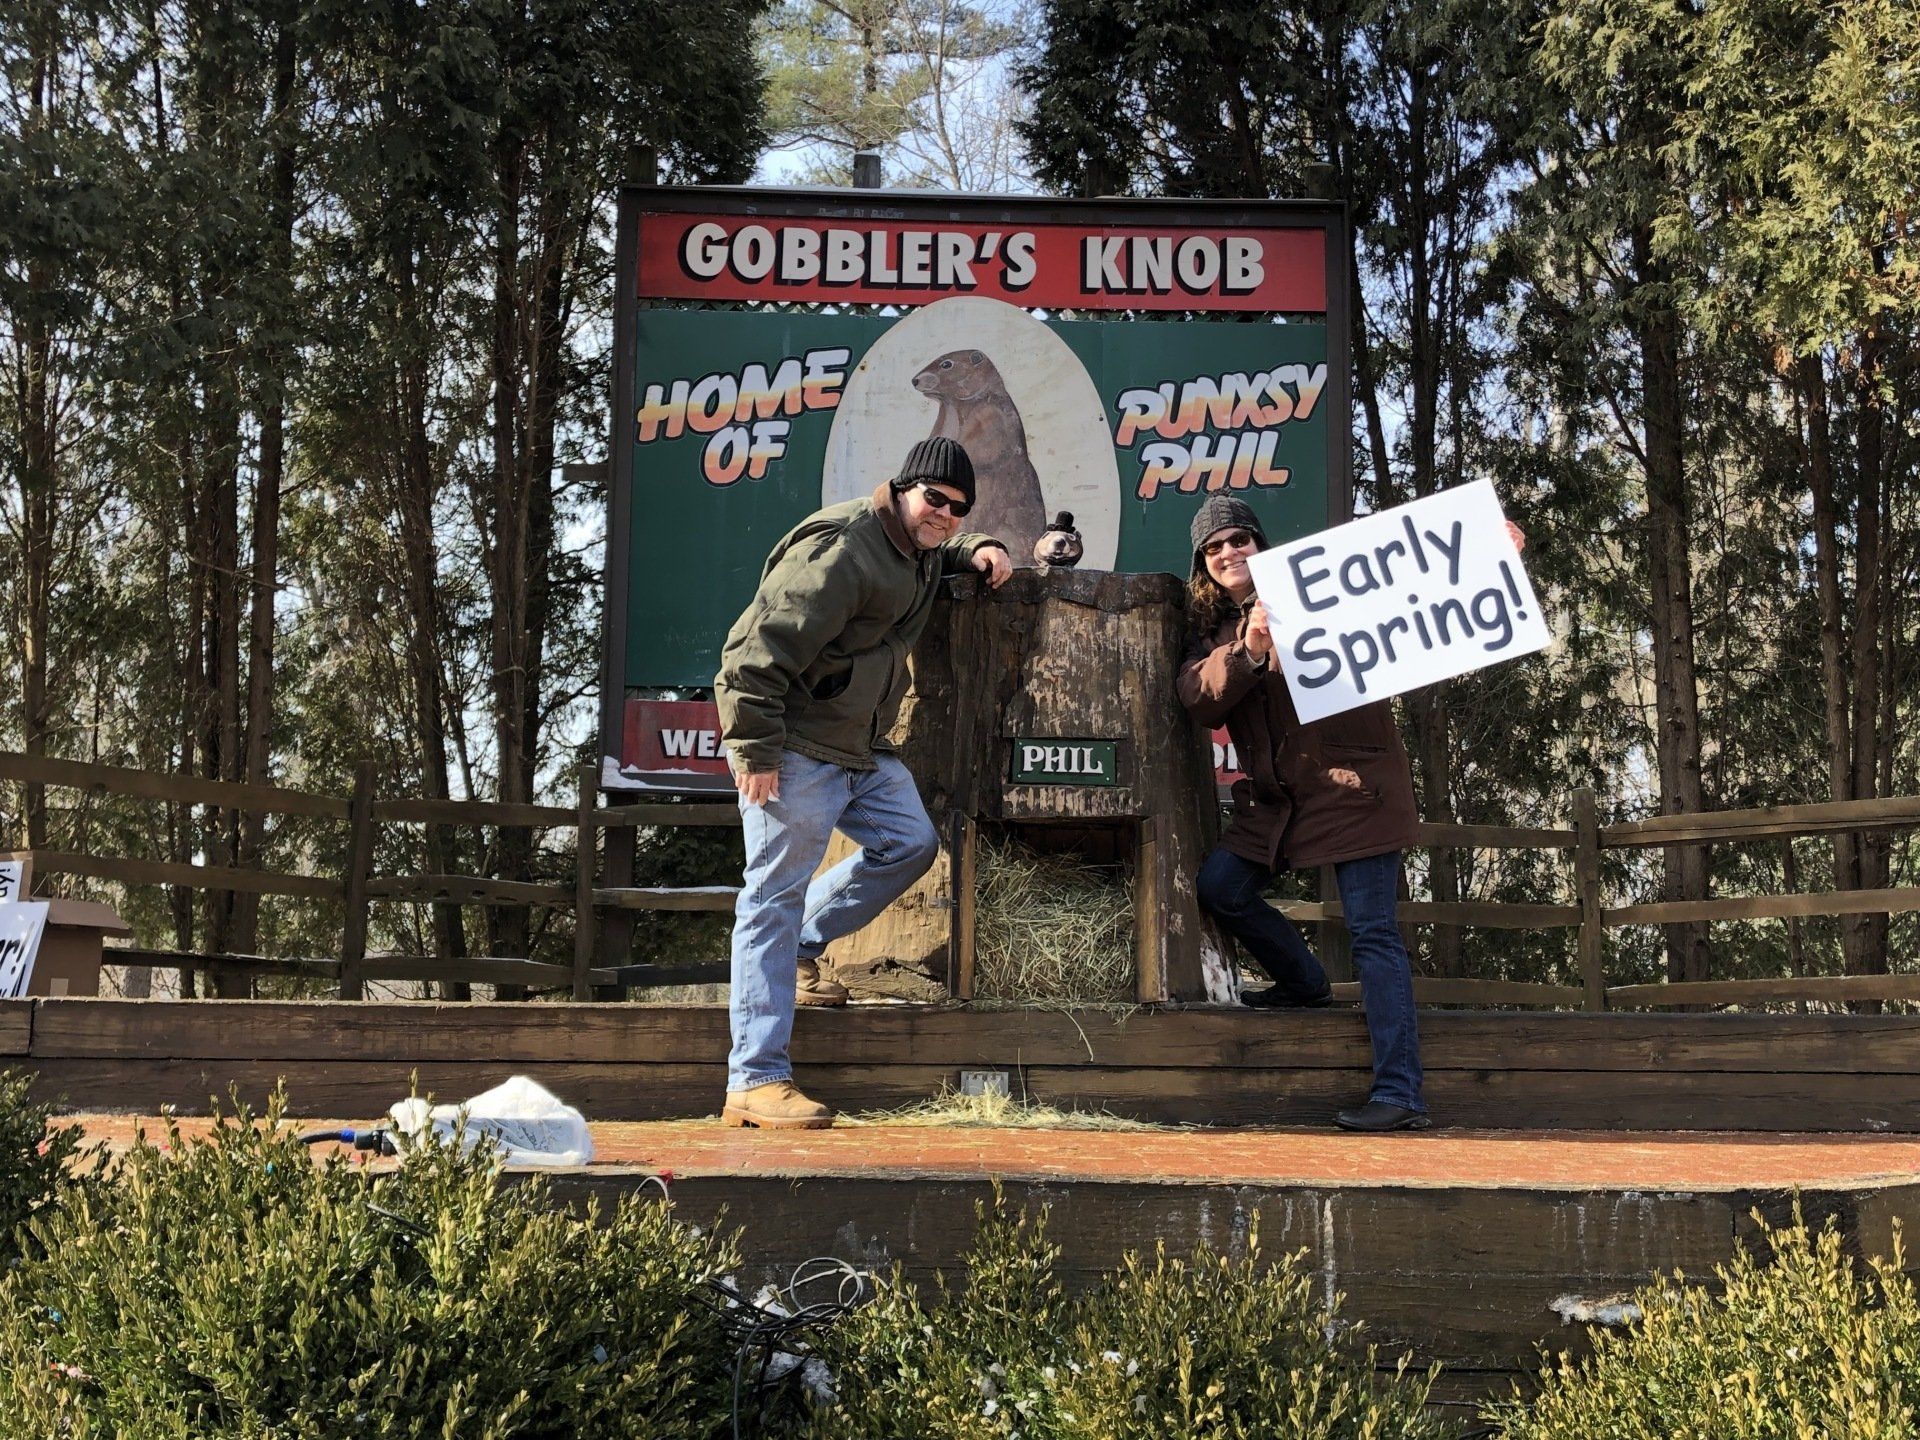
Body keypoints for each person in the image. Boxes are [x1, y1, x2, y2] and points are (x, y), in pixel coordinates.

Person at [714, 437, 1013, 1129]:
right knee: (770, 901)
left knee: (909, 845)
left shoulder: (919, 546)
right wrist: (755, 749)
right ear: (903, 488)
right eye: (933, 499)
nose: (943, 513)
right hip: (792, 747)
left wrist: (979, 547)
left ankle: (807, 949)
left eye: (958, 507)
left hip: (860, 749)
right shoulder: (845, 549)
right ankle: (754, 1082)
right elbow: (752, 653)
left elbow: (947, 548)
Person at [1178, 495, 1493, 1133]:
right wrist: (1250, 648)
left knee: (1373, 933)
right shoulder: (1211, 629)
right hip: (1277, 802)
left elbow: (1420, 586)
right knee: (1221, 886)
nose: (1229, 553)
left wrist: (1490, 553)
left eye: (1240, 539)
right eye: (1214, 548)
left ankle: (1401, 1094)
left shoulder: (1325, 587)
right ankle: (1304, 984)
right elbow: (1198, 696)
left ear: (1262, 545)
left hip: (1354, 788)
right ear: (1203, 563)